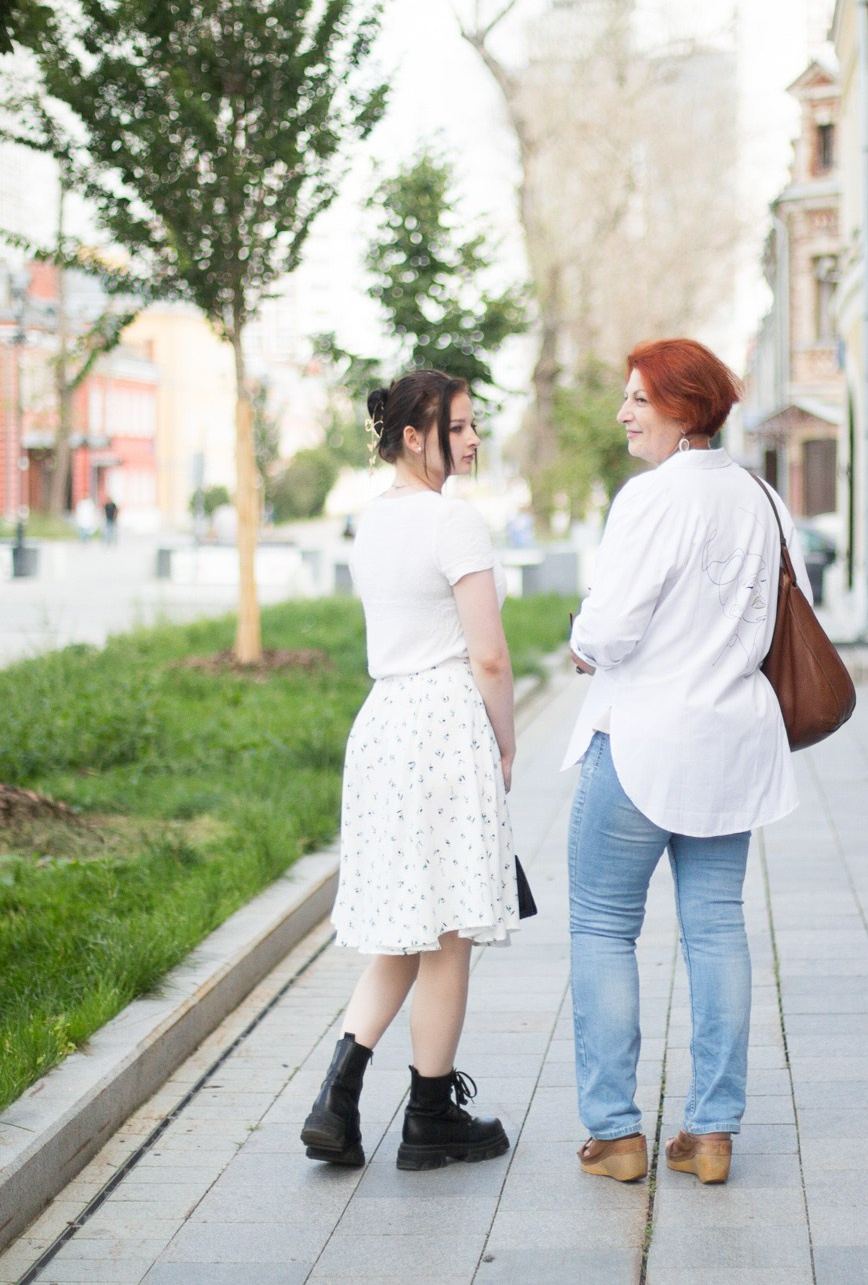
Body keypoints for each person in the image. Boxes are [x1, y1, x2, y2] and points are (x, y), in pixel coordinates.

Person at [563, 338, 808, 1187]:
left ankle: (616, 1134)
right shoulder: (763, 497)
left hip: (641, 742)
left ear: (682, 406)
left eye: (638, 398)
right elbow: (790, 615)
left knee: (602, 928)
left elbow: (607, 631)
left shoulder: (651, 499)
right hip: (730, 748)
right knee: (715, 931)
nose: (625, 413)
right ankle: (711, 1134)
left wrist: (578, 637)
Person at [303, 368, 521, 1172]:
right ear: (412, 436)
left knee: (403, 922)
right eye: (457, 427)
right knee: (448, 934)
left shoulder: (371, 522)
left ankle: (338, 1098)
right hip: (443, 723)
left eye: (472, 426)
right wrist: (505, 744)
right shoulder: (452, 522)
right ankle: (430, 1117)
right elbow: (490, 656)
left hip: (384, 725)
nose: (470, 440)